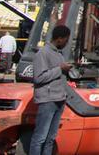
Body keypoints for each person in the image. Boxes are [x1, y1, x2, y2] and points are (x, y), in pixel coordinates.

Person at [29, 25, 72, 155]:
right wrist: (60, 69)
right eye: (66, 40)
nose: (66, 43)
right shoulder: (43, 53)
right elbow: (38, 78)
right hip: (48, 101)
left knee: (51, 138)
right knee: (40, 138)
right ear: (59, 39)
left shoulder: (59, 54)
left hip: (59, 99)